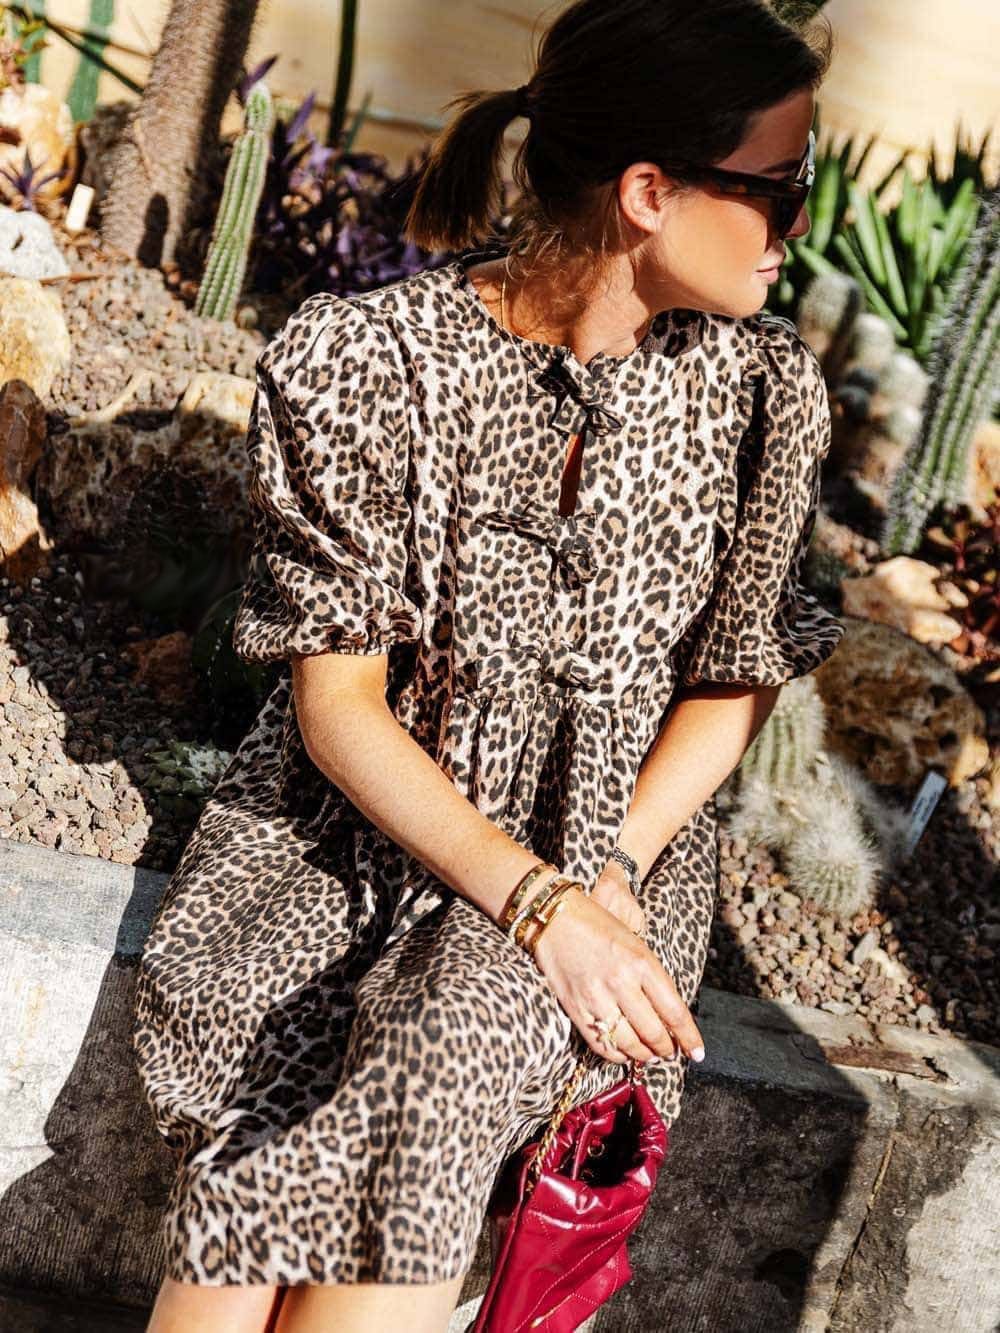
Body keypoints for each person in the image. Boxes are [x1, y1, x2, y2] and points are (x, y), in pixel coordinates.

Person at [134, 0, 843, 1328]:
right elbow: (339, 708)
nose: (799, 229)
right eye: (779, 189)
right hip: (349, 844)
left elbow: (734, 680)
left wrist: (599, 880)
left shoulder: (762, 396)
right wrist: (536, 905)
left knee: (447, 1036)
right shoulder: (368, 361)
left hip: (607, 851)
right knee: (287, 1092)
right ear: (648, 192)